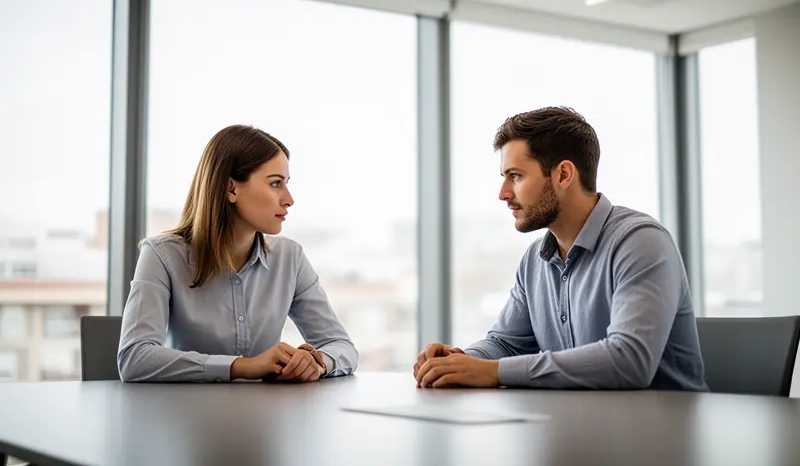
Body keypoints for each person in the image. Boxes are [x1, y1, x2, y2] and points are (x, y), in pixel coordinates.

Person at [414, 107, 707, 391]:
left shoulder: (640, 241)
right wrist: (459, 361)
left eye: (515, 176)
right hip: (579, 428)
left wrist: (494, 371)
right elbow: (506, 343)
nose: (503, 193)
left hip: (661, 434)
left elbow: (629, 361)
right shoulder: (534, 260)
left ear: (564, 175)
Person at [118, 125, 357, 382]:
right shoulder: (161, 255)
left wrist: (317, 364)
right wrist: (242, 366)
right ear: (231, 189)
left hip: (266, 417)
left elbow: (341, 346)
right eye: (276, 183)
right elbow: (135, 358)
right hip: (188, 415)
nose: (289, 199)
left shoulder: (290, 257)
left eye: (286, 184)